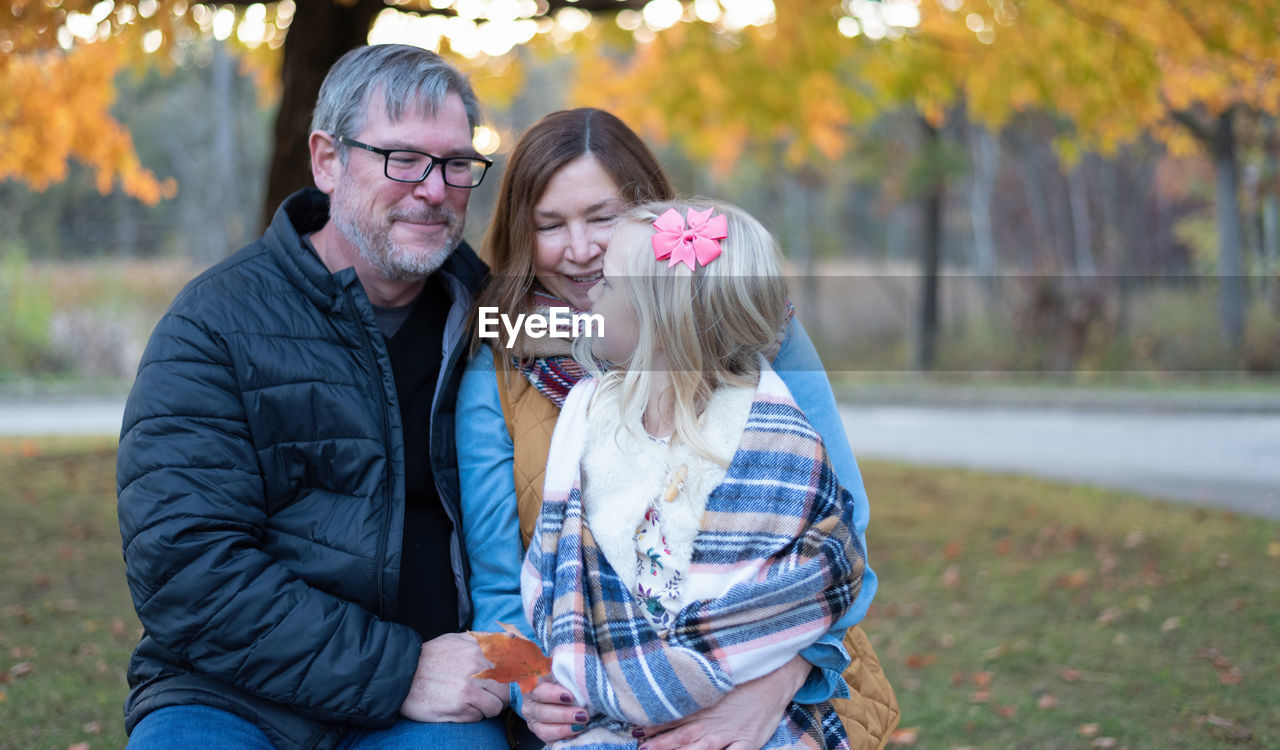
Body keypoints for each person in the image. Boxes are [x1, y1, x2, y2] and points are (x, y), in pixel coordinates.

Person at [456, 109, 898, 750]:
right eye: (550, 226)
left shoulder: (747, 329)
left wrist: (775, 684)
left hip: (779, 658)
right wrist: (533, 683)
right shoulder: (499, 360)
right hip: (597, 680)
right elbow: (500, 578)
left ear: (654, 220)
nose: (581, 251)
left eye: (602, 219)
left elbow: (838, 531)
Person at [116, 44, 512, 750]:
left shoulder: (494, 321)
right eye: (402, 159)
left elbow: (672, 347)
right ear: (327, 160)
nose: (433, 189)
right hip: (231, 695)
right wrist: (399, 670)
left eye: (456, 164)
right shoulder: (213, 324)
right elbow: (185, 567)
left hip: (427, 710)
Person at [522, 199, 863, 749]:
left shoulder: (775, 440)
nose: (590, 291)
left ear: (658, 319)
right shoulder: (589, 418)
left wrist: (698, 673)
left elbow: (823, 564)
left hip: (749, 716)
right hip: (601, 714)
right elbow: (553, 562)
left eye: (607, 282)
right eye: (552, 222)